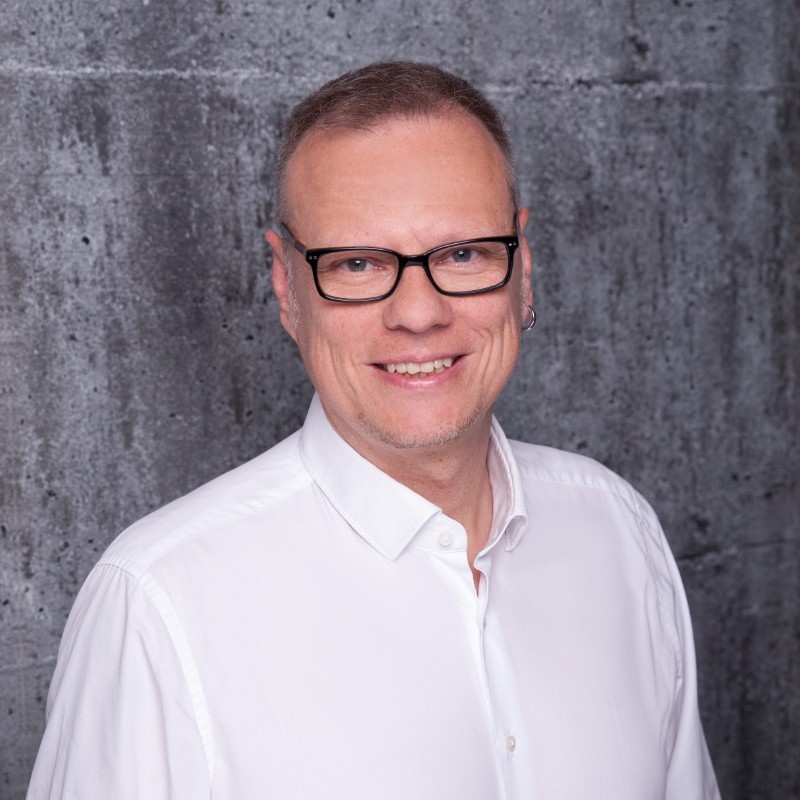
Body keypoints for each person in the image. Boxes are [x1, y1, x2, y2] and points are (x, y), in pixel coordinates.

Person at [28, 61, 720, 799]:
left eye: (463, 254)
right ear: (288, 289)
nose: (418, 314)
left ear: (523, 269)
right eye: (357, 263)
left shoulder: (618, 531)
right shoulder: (158, 605)